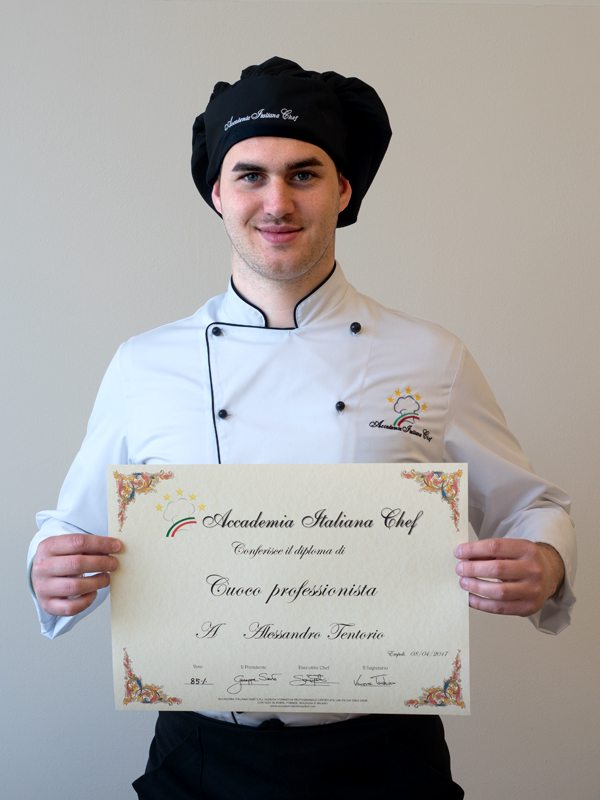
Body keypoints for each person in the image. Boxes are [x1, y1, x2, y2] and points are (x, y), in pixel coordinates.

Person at [28, 57, 576, 799]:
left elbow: (533, 506)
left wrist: (545, 562)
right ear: (217, 193)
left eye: (304, 174)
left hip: (385, 757)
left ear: (343, 190)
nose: (277, 201)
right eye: (250, 175)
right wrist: (49, 569)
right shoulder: (144, 364)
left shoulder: (429, 356)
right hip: (200, 756)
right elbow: (72, 525)